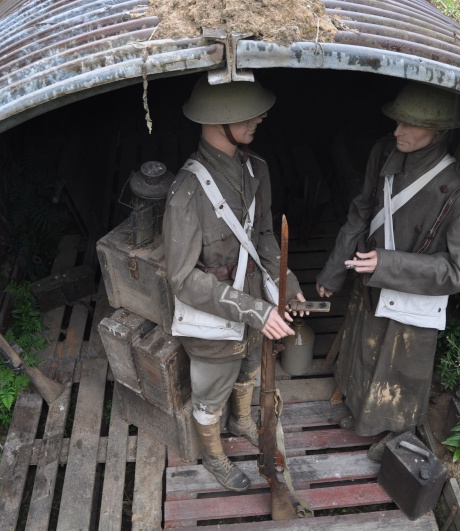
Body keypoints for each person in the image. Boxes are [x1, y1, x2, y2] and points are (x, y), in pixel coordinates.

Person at [315, 82, 460, 461]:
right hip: (371, 279)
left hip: (411, 295)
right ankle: (362, 414)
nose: (398, 132)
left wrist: (389, 264)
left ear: (440, 131)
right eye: (398, 122)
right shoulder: (384, 153)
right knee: (364, 350)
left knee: (400, 370)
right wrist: (333, 271)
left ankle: (396, 433)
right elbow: (361, 211)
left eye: (411, 125)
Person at [163, 77, 305, 491]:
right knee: (211, 390)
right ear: (218, 121)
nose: (260, 118)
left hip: (253, 303)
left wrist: (286, 285)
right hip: (214, 315)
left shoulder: (255, 168)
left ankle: (242, 418)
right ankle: (213, 455)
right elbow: (182, 280)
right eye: (248, 114)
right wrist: (255, 310)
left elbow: (262, 236)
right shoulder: (186, 193)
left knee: (248, 369)